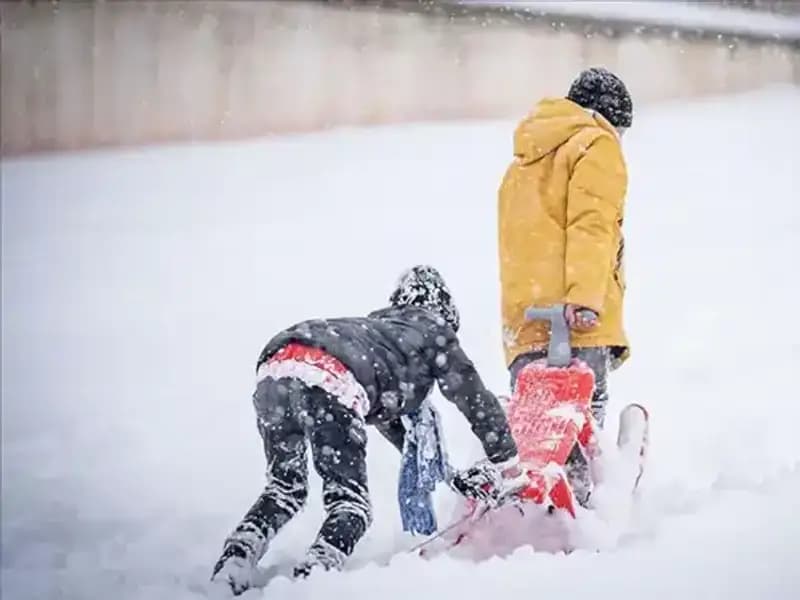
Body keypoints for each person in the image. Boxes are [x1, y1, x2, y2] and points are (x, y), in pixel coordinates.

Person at [211, 265, 527, 595]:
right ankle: (314, 576)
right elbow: (475, 399)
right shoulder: (433, 330)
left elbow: (403, 437)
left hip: (276, 368)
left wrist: (454, 476)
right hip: (330, 376)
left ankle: (236, 558)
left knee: (284, 490)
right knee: (351, 506)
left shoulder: (379, 337)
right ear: (445, 311)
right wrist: (509, 466)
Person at [497, 67, 634, 504]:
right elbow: (591, 226)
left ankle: (539, 506)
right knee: (583, 417)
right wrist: (585, 298)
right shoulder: (597, 144)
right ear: (610, 118)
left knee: (541, 429)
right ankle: (587, 506)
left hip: (525, 317)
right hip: (576, 314)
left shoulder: (523, 160)